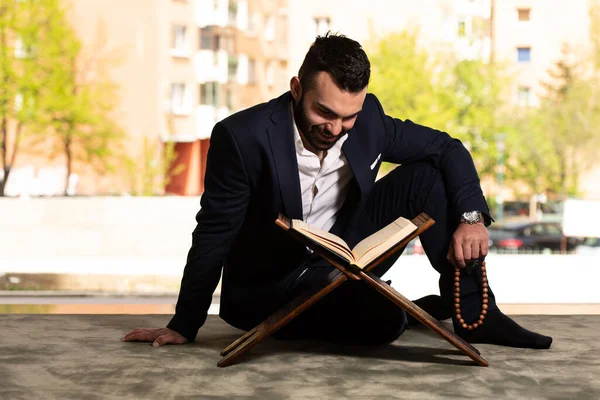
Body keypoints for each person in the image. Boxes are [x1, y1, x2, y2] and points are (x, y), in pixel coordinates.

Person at [123, 33, 552, 350]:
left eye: (349, 117)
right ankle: (402, 309)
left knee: (427, 175)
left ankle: (477, 315)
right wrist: (185, 322)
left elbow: (447, 148)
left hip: (345, 252)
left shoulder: (368, 121)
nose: (335, 128)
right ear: (296, 89)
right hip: (274, 284)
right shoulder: (242, 137)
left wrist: (471, 217)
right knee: (382, 326)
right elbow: (213, 232)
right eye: (324, 112)